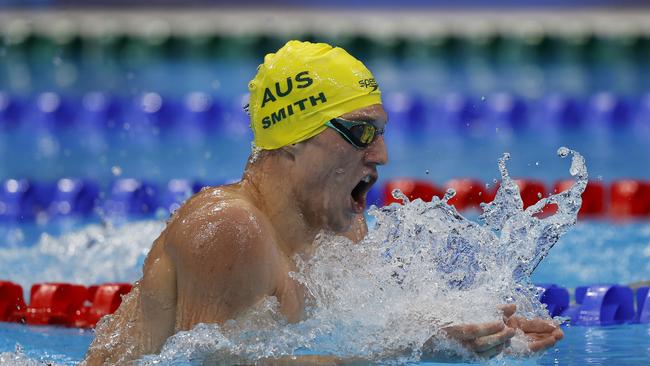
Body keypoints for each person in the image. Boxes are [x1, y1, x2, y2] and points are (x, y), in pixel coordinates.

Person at [83, 40, 563, 365]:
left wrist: (483, 332)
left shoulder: (338, 224)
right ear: (293, 138)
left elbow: (360, 326)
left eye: (381, 132)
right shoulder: (230, 229)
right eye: (361, 132)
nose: (382, 154)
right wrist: (416, 350)